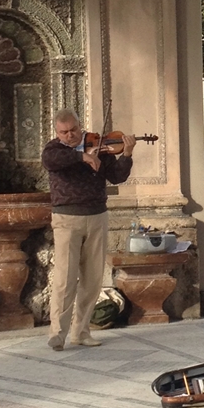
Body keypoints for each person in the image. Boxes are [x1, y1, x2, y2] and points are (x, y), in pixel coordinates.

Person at [42, 109, 136, 351]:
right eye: (64, 132)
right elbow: (51, 161)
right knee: (65, 278)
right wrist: (82, 156)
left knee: (92, 279)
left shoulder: (99, 145)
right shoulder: (54, 149)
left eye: (73, 130)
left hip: (96, 216)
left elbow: (117, 177)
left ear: (80, 126)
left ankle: (81, 332)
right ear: (57, 132)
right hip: (67, 219)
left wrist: (127, 154)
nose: (69, 135)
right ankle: (57, 333)